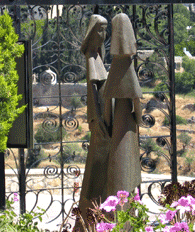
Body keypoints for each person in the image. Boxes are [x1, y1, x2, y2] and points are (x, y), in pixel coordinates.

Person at [76, 14, 110, 229]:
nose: (103, 34)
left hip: (103, 120)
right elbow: (92, 93)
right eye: (99, 30)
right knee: (96, 171)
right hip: (99, 122)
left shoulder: (98, 57)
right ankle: (89, 218)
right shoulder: (91, 58)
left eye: (105, 29)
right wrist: (97, 120)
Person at [103, 13, 142, 197]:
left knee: (118, 165)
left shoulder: (116, 66)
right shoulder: (127, 65)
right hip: (128, 124)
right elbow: (136, 99)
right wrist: (139, 119)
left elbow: (108, 98)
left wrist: (108, 123)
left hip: (117, 125)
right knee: (127, 165)